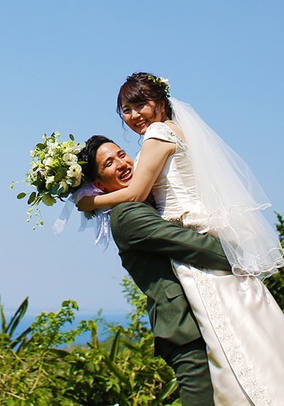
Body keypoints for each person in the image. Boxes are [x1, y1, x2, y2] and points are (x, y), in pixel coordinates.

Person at [77, 73, 284, 406]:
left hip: (193, 241)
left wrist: (90, 201)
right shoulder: (171, 134)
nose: (134, 115)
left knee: (232, 341)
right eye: (126, 109)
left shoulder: (159, 133)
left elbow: (139, 191)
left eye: (141, 104)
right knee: (252, 333)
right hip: (196, 237)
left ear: (161, 102)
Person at [76, 134, 232, 406]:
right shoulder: (128, 216)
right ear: (99, 184)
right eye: (109, 163)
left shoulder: (149, 200)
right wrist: (242, 256)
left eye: (122, 154)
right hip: (184, 328)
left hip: (204, 313)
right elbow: (194, 246)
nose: (122, 163)